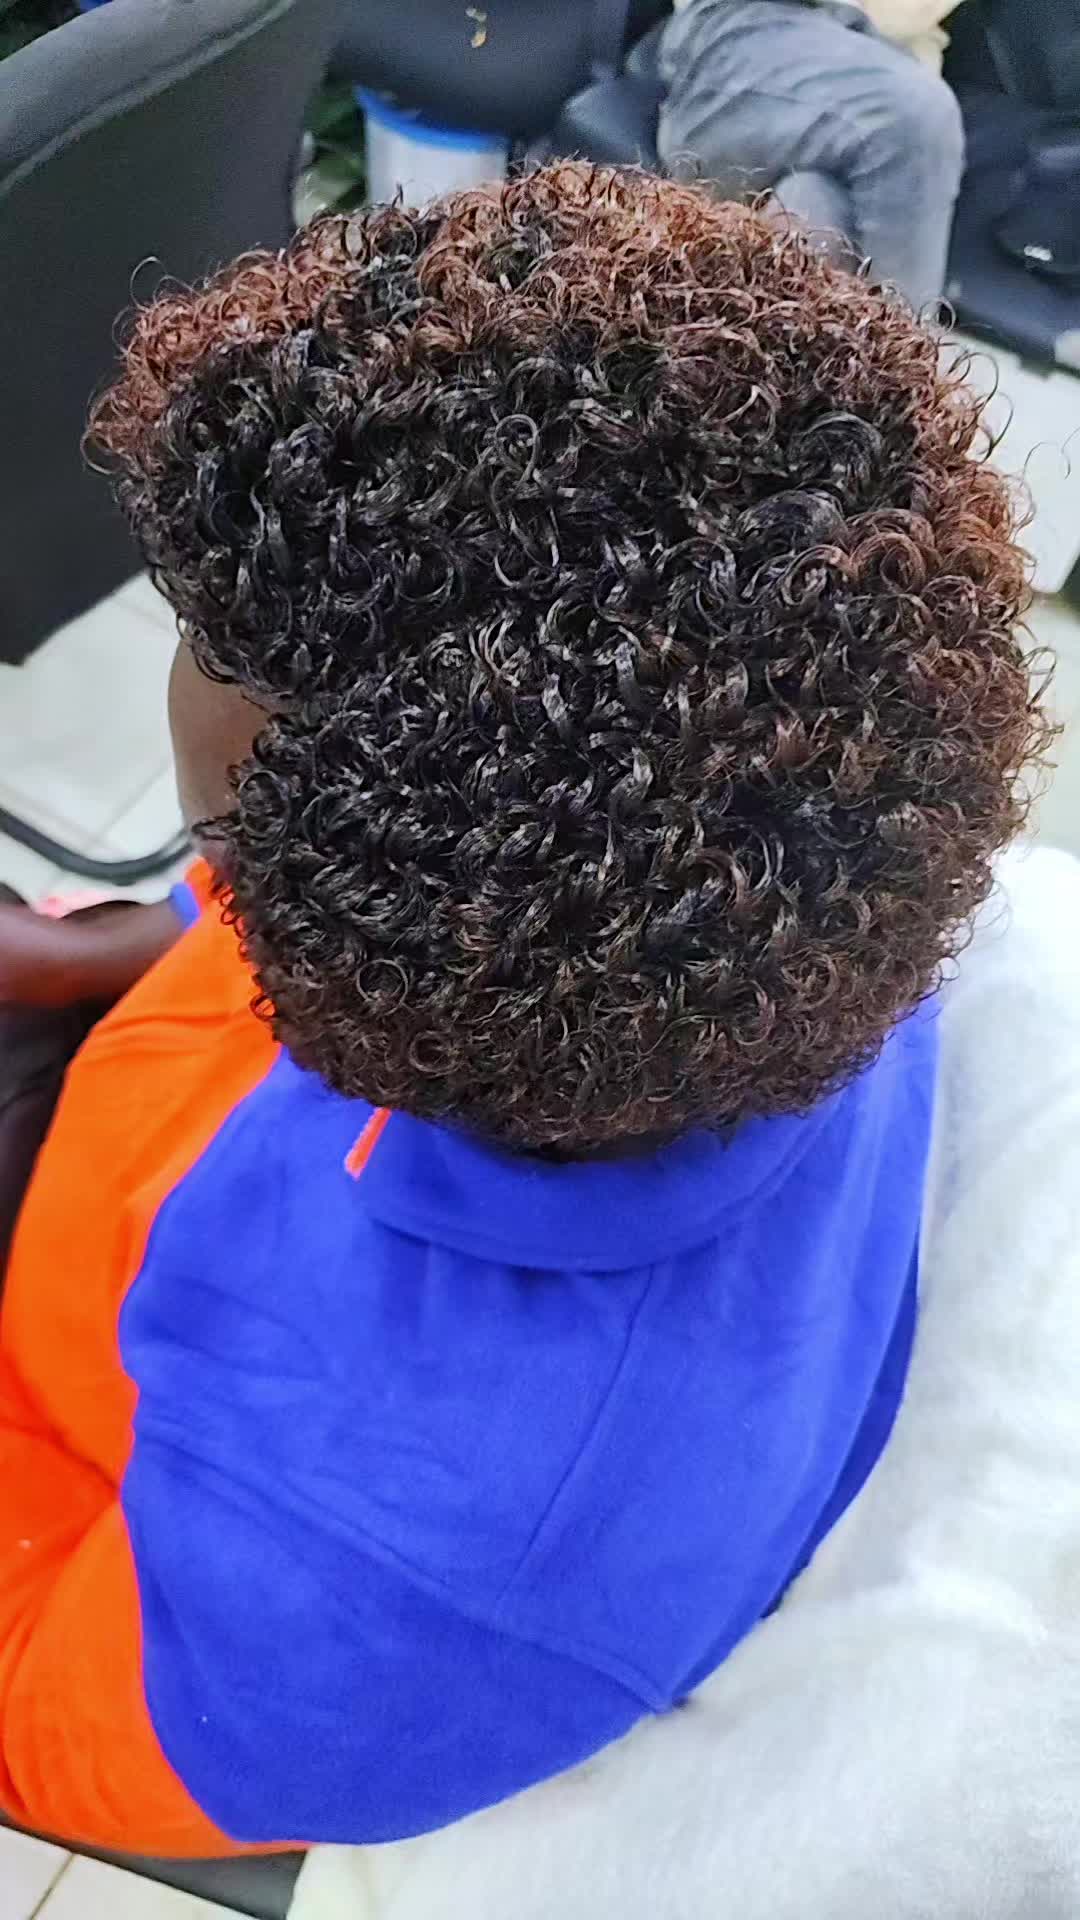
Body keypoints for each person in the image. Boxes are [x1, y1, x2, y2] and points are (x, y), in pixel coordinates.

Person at [0, 165, 1049, 1856]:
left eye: (211, 649)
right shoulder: (772, 896)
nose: (179, 674)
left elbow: (43, 1697)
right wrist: (124, 949)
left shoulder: (380, 1590)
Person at [658, 0, 964, 313]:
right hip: (745, 28)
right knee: (915, 116)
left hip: (863, 54)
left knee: (815, 212)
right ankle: (907, 341)